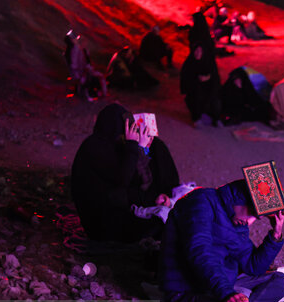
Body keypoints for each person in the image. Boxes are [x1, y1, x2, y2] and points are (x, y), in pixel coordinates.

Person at [159, 179, 284, 302]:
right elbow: (200, 252)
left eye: (257, 217)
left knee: (280, 280)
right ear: (240, 199)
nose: (250, 221)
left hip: (220, 284)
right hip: (187, 290)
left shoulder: (238, 222)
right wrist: (226, 293)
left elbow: (253, 266)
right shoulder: (201, 201)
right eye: (252, 213)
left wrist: (276, 233)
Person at [71, 103, 179, 242]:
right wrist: (136, 147)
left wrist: (142, 149)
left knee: (157, 146)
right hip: (102, 223)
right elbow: (124, 182)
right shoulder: (95, 149)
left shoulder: (113, 145)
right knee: (159, 223)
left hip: (118, 205)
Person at [180, 43, 221, 127]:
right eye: (196, 50)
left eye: (200, 51)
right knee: (196, 96)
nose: (198, 53)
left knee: (214, 98)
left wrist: (208, 78)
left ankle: (215, 118)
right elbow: (185, 77)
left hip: (208, 87)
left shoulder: (209, 61)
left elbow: (215, 77)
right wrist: (196, 79)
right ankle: (196, 118)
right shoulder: (190, 62)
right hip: (194, 88)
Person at [64, 30, 107, 100]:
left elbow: (85, 62)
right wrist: (84, 72)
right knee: (94, 78)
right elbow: (74, 65)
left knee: (96, 77)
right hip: (78, 73)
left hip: (80, 72)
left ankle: (96, 93)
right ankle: (91, 93)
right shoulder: (74, 49)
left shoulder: (76, 50)